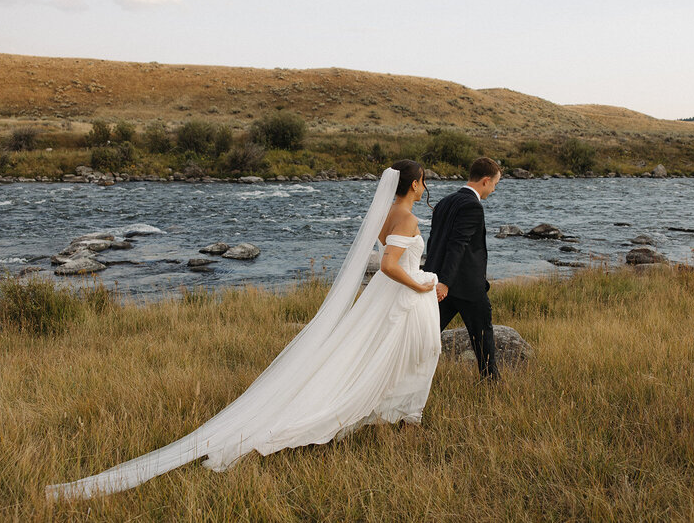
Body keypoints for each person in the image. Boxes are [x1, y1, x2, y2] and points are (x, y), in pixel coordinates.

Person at [46, 160, 441, 500]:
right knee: (410, 355)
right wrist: (421, 283)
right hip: (399, 296)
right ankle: (396, 418)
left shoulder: (387, 214)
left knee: (378, 356)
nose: (425, 186)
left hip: (384, 299)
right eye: (423, 180)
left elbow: (384, 251)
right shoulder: (404, 216)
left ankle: (396, 417)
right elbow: (389, 265)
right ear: (412, 183)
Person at [423, 157, 501, 380]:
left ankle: (405, 375)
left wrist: (436, 278)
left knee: (426, 335)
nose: (494, 189)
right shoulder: (472, 206)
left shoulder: (445, 202)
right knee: (483, 336)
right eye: (495, 184)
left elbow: (435, 242)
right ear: (485, 181)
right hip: (464, 286)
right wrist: (445, 281)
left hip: (439, 283)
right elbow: (457, 245)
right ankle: (491, 382)